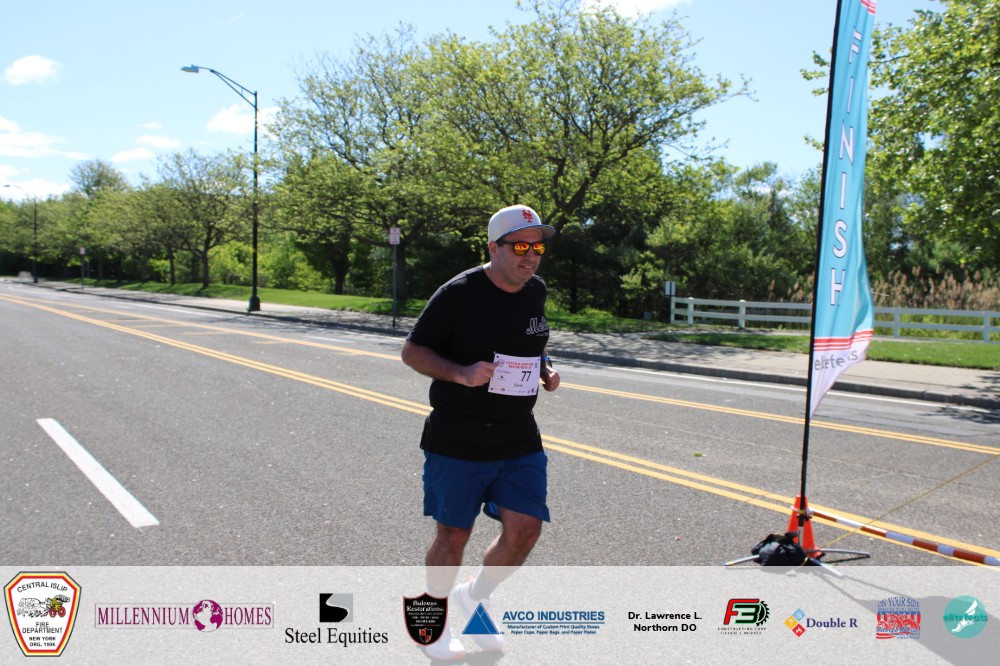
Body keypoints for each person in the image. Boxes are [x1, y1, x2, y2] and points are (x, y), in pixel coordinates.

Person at [401, 204, 560, 660]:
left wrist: (545, 368)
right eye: (521, 247)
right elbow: (412, 351)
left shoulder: (535, 291)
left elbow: (532, 343)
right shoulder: (458, 294)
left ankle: (475, 596)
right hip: (459, 436)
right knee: (453, 535)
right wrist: (460, 373)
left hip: (518, 436)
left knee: (525, 530)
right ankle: (432, 619)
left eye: (537, 248)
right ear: (494, 247)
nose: (531, 257)